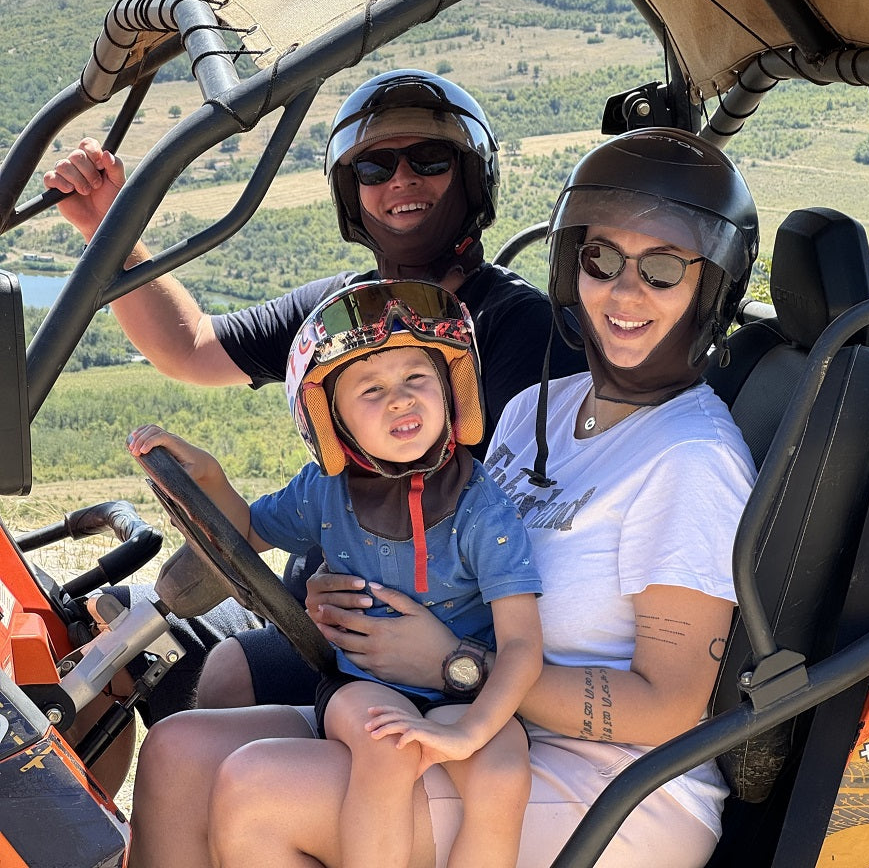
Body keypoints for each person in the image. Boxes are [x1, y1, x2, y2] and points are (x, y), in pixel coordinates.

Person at [129, 126, 760, 868]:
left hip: (612, 783)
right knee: (179, 751)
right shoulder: (540, 411)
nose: (625, 291)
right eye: (602, 259)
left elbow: (670, 709)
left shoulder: (691, 460)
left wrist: (454, 664)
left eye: (661, 268)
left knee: (261, 786)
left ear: (707, 287)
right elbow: (457, 544)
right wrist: (360, 592)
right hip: (479, 724)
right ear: (571, 266)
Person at [43, 69, 585, 720]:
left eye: (430, 159)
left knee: (219, 684)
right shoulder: (342, 314)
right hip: (310, 609)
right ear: (352, 193)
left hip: (400, 641)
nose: (402, 180)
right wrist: (110, 230)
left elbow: (515, 515)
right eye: (376, 167)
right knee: (94, 643)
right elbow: (188, 346)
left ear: (470, 178)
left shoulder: (513, 326)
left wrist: (403, 618)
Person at [127, 279, 543, 868]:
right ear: (333, 420)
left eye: (417, 379)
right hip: (366, 687)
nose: (400, 400)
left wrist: (473, 732)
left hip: (459, 689)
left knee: (502, 772)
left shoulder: (483, 509)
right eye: (371, 389)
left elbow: (523, 643)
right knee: (387, 747)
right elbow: (246, 532)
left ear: (453, 391)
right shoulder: (326, 494)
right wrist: (213, 481)